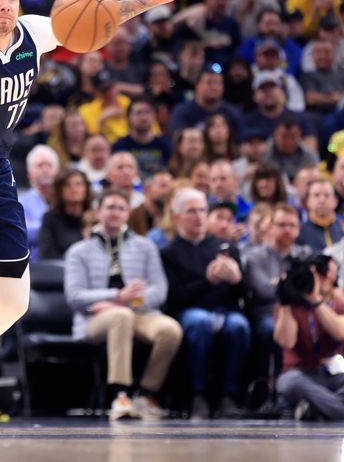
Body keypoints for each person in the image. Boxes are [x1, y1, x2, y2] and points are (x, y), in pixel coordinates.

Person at [0, 0, 204, 432]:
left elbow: (97, 12)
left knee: (14, 302)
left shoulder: (33, 33)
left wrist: (154, 0)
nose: (4, 5)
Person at [65, 188, 182, 420]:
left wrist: (133, 300)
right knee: (121, 316)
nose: (115, 213)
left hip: (138, 311)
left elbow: (160, 289)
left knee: (170, 330)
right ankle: (120, 394)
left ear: (128, 213)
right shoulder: (79, 251)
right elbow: (74, 296)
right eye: (110, 207)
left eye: (121, 208)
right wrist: (116, 297)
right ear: (98, 211)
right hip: (95, 318)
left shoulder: (145, 246)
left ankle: (145, 393)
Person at [161, 188, 250, 419]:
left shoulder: (226, 247)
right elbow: (172, 298)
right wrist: (207, 282)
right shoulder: (169, 253)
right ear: (177, 215)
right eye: (192, 211)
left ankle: (229, 397)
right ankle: (197, 395)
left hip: (226, 310)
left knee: (239, 326)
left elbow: (246, 294)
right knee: (199, 322)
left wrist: (237, 280)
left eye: (202, 210)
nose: (199, 216)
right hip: (189, 311)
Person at [244, 204, 312, 390]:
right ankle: (272, 388)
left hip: (301, 313)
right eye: (282, 225)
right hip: (267, 313)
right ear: (270, 226)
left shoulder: (305, 254)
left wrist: (280, 283)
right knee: (270, 329)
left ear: (298, 229)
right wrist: (292, 286)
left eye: (292, 225)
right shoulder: (254, 256)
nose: (287, 230)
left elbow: (312, 289)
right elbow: (264, 291)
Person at [274, 255, 344, 420]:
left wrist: (316, 300)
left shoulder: (338, 302)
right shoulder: (290, 304)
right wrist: (285, 300)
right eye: (324, 274)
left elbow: (340, 332)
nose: (330, 278)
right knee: (289, 382)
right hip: (300, 374)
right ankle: (332, 409)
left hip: (333, 374)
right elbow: (286, 341)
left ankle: (315, 408)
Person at [111, 97, 171, 179]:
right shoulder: (119, 146)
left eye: (147, 112)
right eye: (138, 113)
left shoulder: (165, 144)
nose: (143, 117)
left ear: (154, 116)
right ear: (129, 117)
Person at [38, 168, 93, 260]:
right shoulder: (50, 218)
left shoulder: (95, 218)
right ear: (59, 190)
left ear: (86, 189)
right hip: (60, 271)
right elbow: (46, 255)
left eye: (78, 184)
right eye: (67, 185)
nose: (73, 189)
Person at [19, 145, 59, 260]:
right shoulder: (20, 202)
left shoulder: (66, 199)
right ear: (29, 173)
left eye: (49, 165)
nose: (45, 169)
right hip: (34, 264)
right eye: (40, 165)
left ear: (57, 171)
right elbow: (23, 234)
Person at [298, 179, 344, 251]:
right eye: (316, 195)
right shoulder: (299, 231)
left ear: (336, 201)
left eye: (327, 195)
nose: (322, 199)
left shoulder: (342, 228)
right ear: (307, 201)